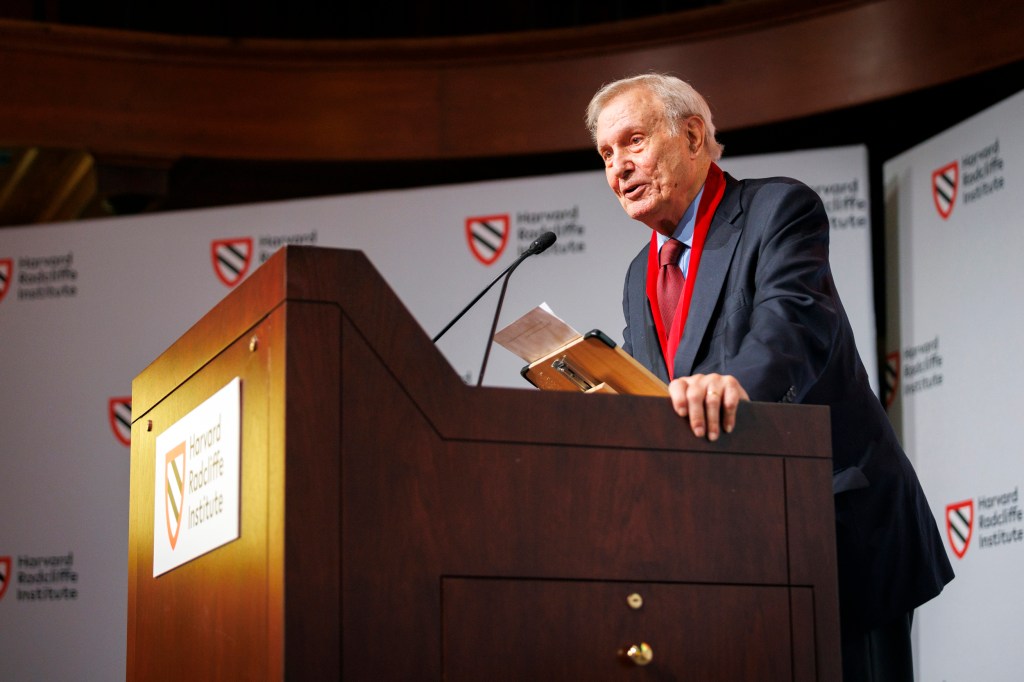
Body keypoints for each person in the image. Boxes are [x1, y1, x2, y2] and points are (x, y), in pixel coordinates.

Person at [586, 73, 953, 680]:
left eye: (633, 142)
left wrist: (737, 384)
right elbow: (658, 387)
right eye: (605, 154)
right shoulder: (638, 273)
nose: (618, 167)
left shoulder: (777, 209)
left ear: (693, 136)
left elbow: (792, 325)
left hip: (830, 527)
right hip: (726, 541)